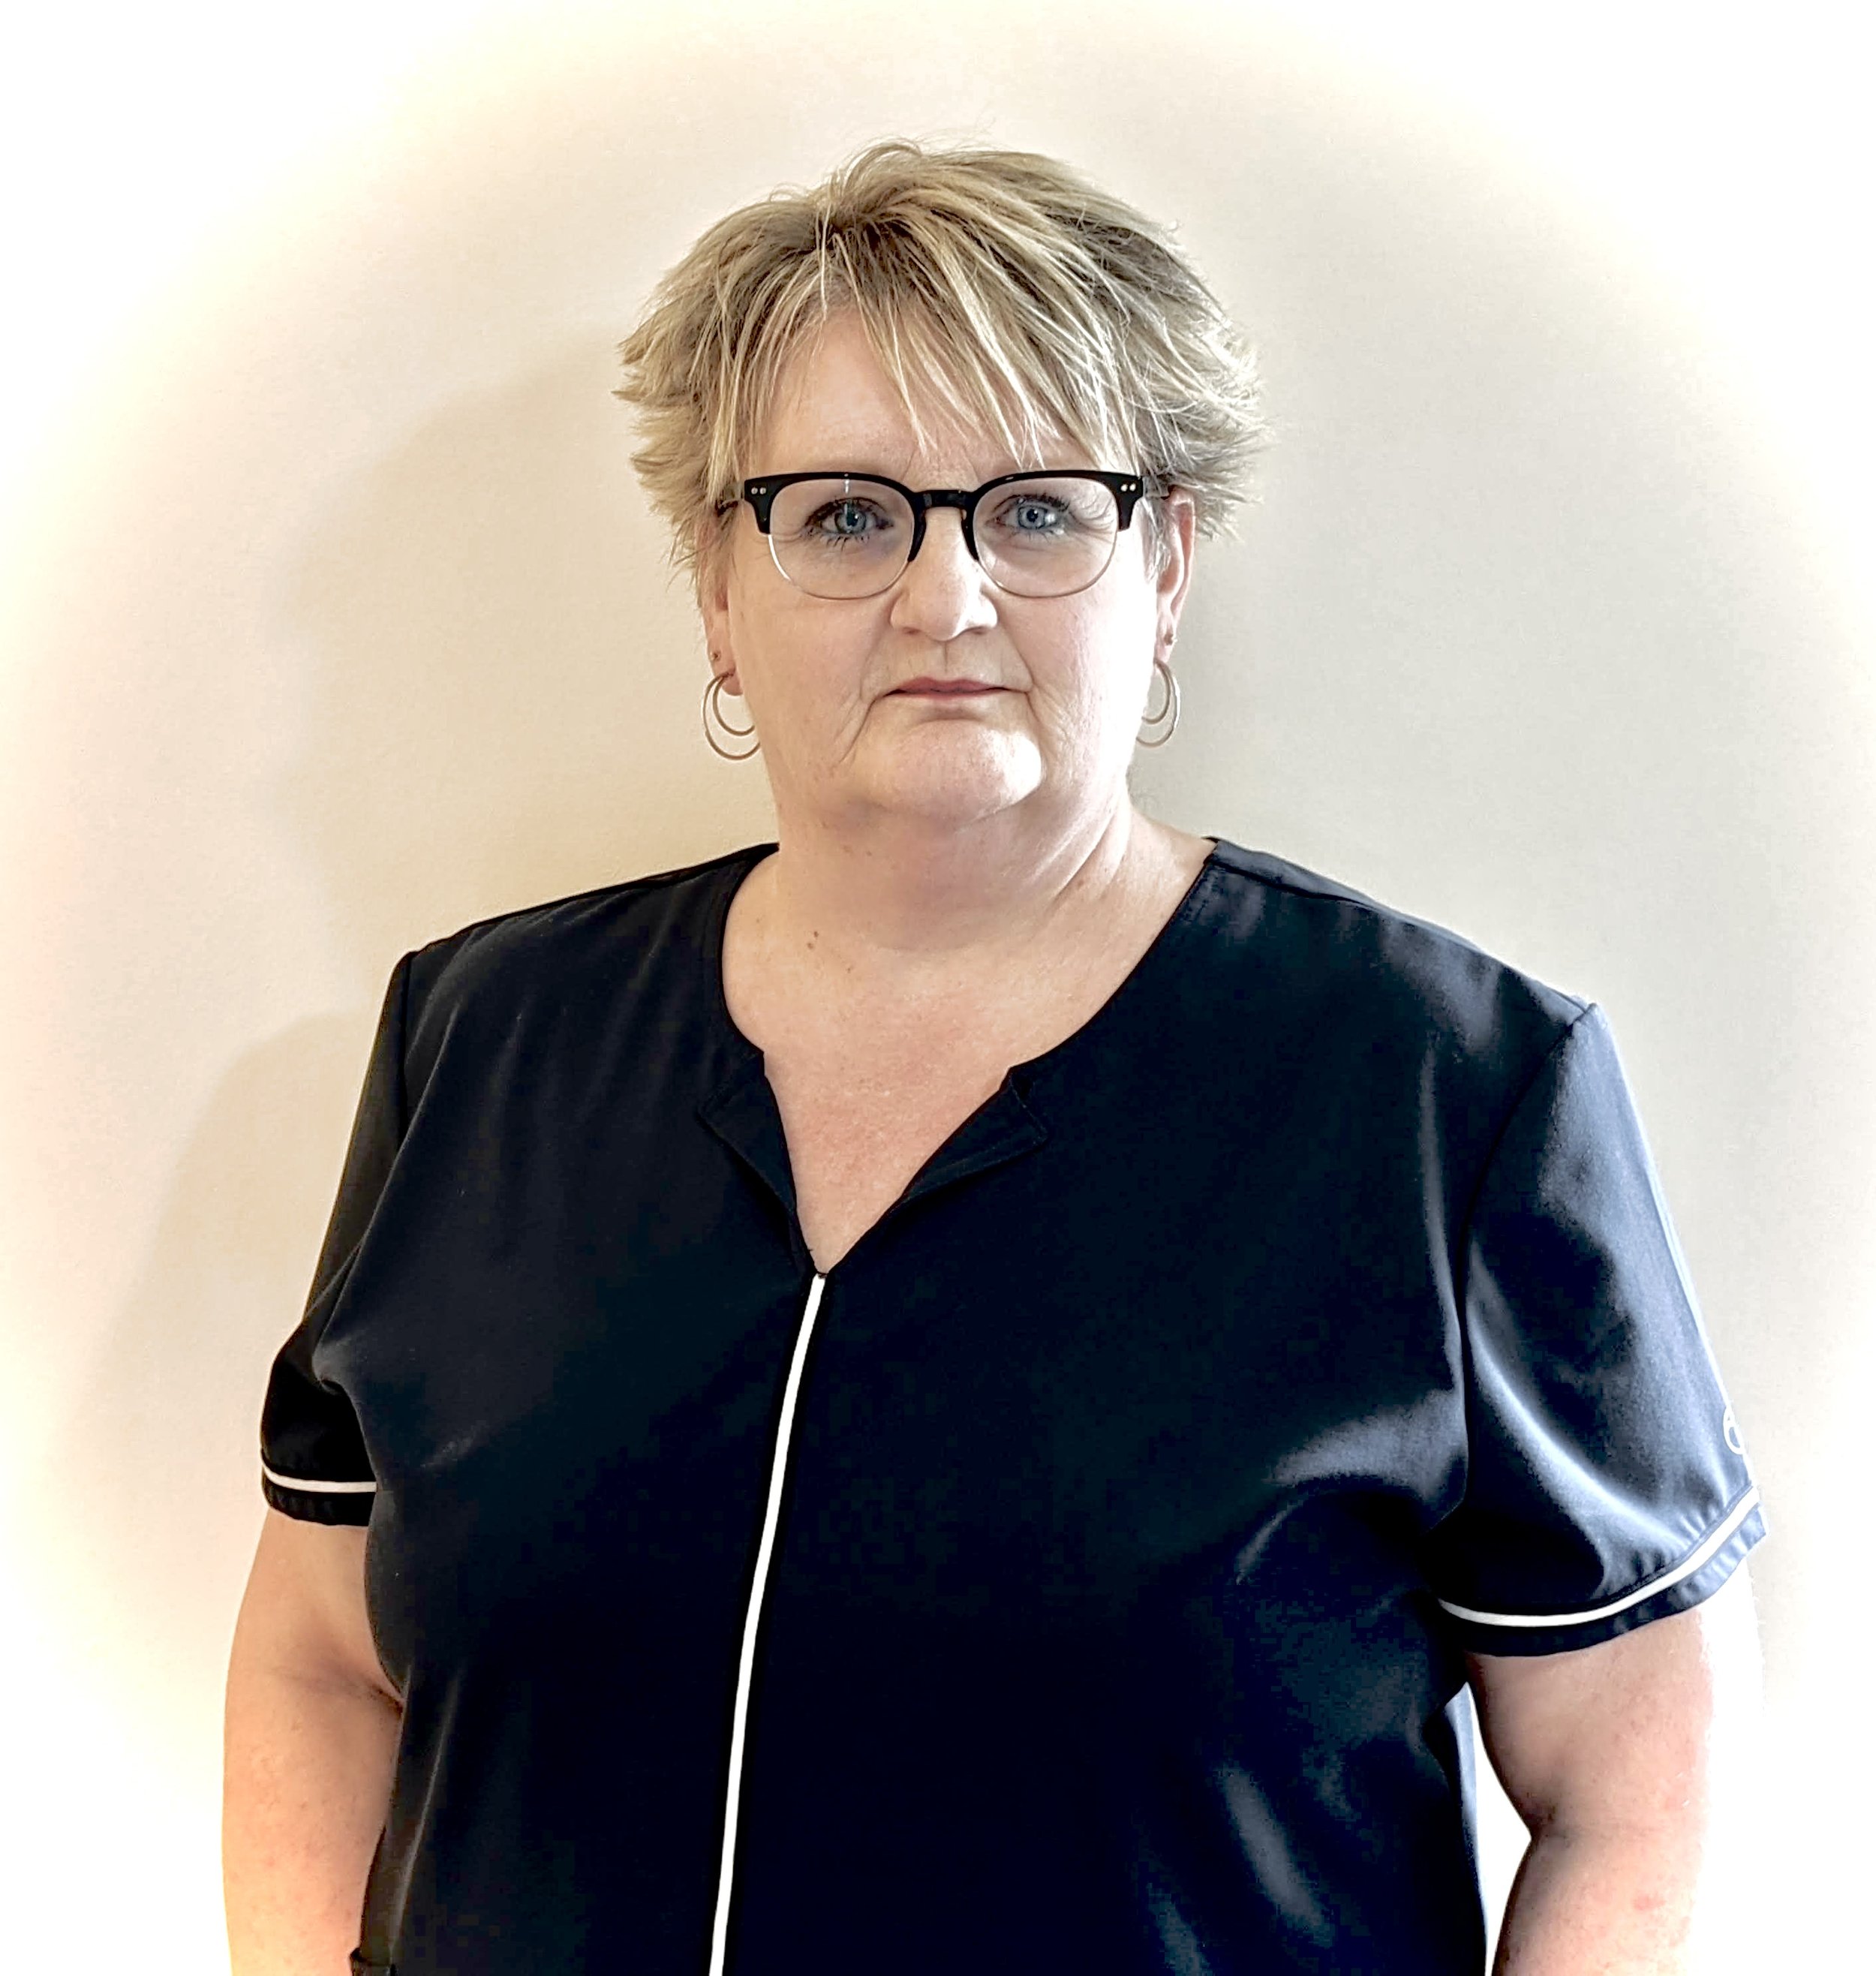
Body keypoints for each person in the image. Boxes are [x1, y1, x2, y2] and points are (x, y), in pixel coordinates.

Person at [222, 139, 1766, 1976]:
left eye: (1036, 510)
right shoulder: (483, 1043)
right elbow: (319, 1658)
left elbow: (1641, 1788)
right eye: (842, 516)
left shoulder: (1447, 1092)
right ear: (715, 586)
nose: (943, 599)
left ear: (1164, 566)